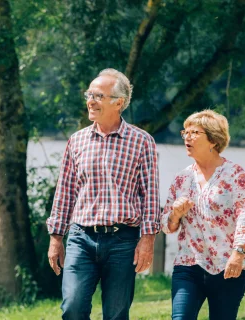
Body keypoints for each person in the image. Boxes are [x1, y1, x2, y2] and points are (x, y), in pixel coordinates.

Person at [46, 68, 160, 320]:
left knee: (116, 314)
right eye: (89, 94)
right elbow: (65, 191)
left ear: (118, 103)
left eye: (98, 95)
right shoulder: (76, 141)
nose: (90, 100)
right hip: (81, 238)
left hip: (123, 241)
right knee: (72, 308)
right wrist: (56, 238)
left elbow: (150, 195)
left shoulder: (142, 141)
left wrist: (148, 240)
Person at [161, 109, 245, 320]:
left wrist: (239, 253)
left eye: (195, 132)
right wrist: (175, 214)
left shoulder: (235, 175)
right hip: (188, 265)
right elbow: (167, 226)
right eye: (185, 132)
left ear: (213, 141)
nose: (187, 137)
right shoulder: (182, 178)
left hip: (228, 267)